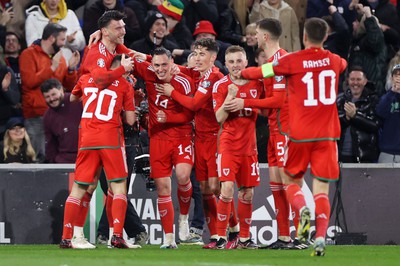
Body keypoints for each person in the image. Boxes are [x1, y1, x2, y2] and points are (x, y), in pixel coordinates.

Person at [240, 17, 347, 256]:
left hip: (296, 132)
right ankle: (318, 235)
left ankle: (301, 215)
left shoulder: (291, 61)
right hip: (327, 135)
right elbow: (342, 64)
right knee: (321, 190)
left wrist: (243, 73)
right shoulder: (334, 61)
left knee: (290, 183)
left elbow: (261, 71)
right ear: (326, 38)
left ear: (304, 38)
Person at [224, 18, 307, 250]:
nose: (255, 37)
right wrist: (246, 102)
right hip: (274, 127)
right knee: (276, 185)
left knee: (288, 182)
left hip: (285, 128)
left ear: (266, 37)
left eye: (257, 34)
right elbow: (267, 101)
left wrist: (244, 101)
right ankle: (284, 237)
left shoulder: (281, 61)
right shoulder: (272, 63)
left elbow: (279, 100)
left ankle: (301, 234)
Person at [155, 38, 241, 248]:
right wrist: (177, 68)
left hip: (215, 139)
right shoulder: (201, 76)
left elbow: (193, 104)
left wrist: (171, 93)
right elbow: (187, 72)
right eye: (196, 53)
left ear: (213, 58)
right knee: (205, 190)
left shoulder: (214, 78)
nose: (197, 58)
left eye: (202, 54)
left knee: (217, 189)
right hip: (200, 139)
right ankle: (215, 236)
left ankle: (233, 231)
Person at [60, 54, 137, 249]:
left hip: (87, 139)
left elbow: (73, 98)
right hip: (111, 140)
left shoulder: (86, 79)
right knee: (118, 187)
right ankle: (117, 236)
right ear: (120, 66)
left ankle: (67, 237)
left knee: (80, 188)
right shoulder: (124, 85)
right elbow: (130, 120)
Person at [132, 47, 195, 249]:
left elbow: (190, 114)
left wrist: (169, 117)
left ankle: (183, 219)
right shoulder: (148, 72)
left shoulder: (183, 80)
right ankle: (169, 238)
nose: (160, 69)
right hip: (158, 138)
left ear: (172, 63)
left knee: (183, 176)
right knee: (163, 188)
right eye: (156, 65)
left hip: (181, 135)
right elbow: (127, 55)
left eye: (164, 65)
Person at [212, 45, 263, 249]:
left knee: (247, 193)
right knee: (227, 189)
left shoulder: (257, 84)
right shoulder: (221, 85)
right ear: (225, 64)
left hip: (249, 146)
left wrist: (246, 102)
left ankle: (244, 239)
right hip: (228, 145)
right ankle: (220, 237)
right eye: (231, 62)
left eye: (238, 61)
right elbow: (219, 118)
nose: (235, 65)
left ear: (246, 62)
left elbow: (266, 108)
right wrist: (230, 97)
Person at [19, 23, 80, 162]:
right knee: (38, 158)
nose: (64, 43)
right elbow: (29, 82)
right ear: (52, 38)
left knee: (57, 157)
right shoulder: (28, 54)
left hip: (59, 114)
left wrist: (71, 69)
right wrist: (51, 67)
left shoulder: (60, 57)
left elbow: (67, 86)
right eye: (62, 39)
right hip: (36, 115)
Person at [337, 66, 380, 163]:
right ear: (348, 80)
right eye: (352, 79)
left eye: (358, 79)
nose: (355, 83)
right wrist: (346, 118)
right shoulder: (340, 100)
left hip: (364, 157)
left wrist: (355, 116)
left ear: (365, 81)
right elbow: (331, 123)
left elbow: (375, 125)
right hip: (340, 156)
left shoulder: (373, 100)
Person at [348, 4, 387, 96]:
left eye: (357, 22)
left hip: (372, 90)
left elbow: (375, 40)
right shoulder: (357, 40)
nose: (353, 24)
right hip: (358, 88)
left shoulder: (373, 41)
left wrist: (369, 17)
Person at [41, 78, 82, 163]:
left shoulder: (78, 100)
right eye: (47, 97)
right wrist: (54, 163)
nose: (51, 99)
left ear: (61, 90)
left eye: (53, 94)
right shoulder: (47, 117)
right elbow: (50, 144)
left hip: (86, 155)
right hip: (64, 160)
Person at [376, 64, 400, 163]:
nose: (398, 78)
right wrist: (392, 93)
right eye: (396, 75)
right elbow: (380, 113)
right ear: (391, 78)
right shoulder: (386, 97)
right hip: (387, 152)